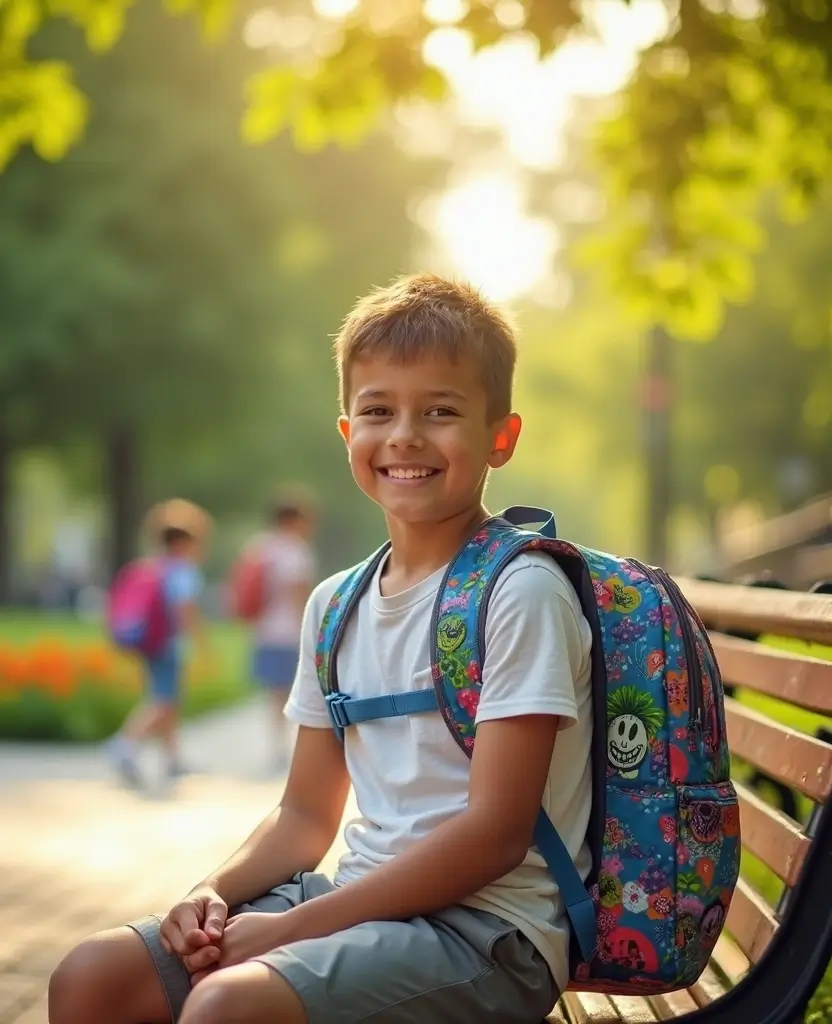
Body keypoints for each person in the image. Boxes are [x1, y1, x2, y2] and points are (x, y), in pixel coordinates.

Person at [49, 274, 594, 1024]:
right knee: (92, 978)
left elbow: (495, 837)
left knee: (227, 1006)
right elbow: (305, 815)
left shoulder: (521, 591)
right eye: (378, 410)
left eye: (440, 411)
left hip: (489, 934)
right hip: (356, 904)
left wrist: (290, 931)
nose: (404, 435)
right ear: (347, 434)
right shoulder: (336, 605)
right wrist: (211, 893)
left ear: (501, 437)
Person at [107, 499, 212, 788]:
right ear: (184, 543)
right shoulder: (183, 570)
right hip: (169, 644)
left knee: (168, 701)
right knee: (163, 701)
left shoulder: (153, 567)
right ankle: (124, 744)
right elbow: (185, 610)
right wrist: (201, 644)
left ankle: (173, 759)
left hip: (149, 642)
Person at [248, 493, 317, 772]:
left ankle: (277, 746)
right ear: (294, 519)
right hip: (289, 631)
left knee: (274, 693)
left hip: (264, 630)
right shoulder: (295, 551)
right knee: (296, 691)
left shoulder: (260, 547)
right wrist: (309, 627)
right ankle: (292, 749)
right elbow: (297, 593)